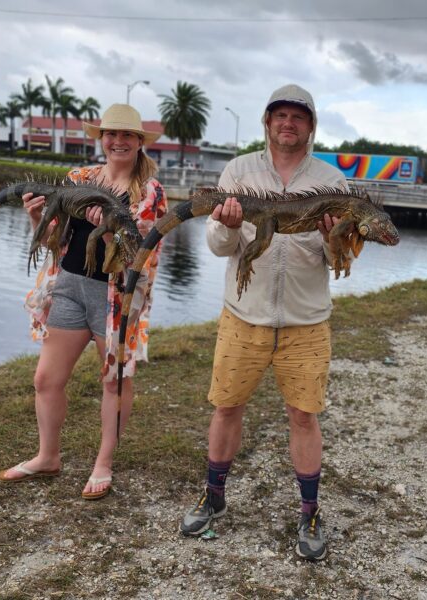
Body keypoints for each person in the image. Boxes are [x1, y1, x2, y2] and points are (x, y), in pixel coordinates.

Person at [179, 84, 349, 561]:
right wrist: (230, 225)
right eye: (280, 115)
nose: (288, 123)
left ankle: (310, 511)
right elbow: (218, 247)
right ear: (267, 122)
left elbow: (338, 261)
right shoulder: (239, 171)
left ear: (311, 126)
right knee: (226, 406)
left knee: (304, 415)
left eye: (298, 116)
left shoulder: (333, 182)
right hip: (243, 316)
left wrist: (333, 236)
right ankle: (213, 496)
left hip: (306, 322)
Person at [0, 104, 167, 500]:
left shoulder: (150, 192)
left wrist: (105, 230)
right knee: (45, 379)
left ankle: (103, 462)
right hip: (70, 286)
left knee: (114, 381)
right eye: (111, 134)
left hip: (117, 296)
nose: (118, 141)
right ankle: (47, 456)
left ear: (140, 143)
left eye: (127, 135)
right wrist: (36, 217)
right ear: (101, 139)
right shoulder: (79, 178)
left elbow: (136, 257)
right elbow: (52, 238)